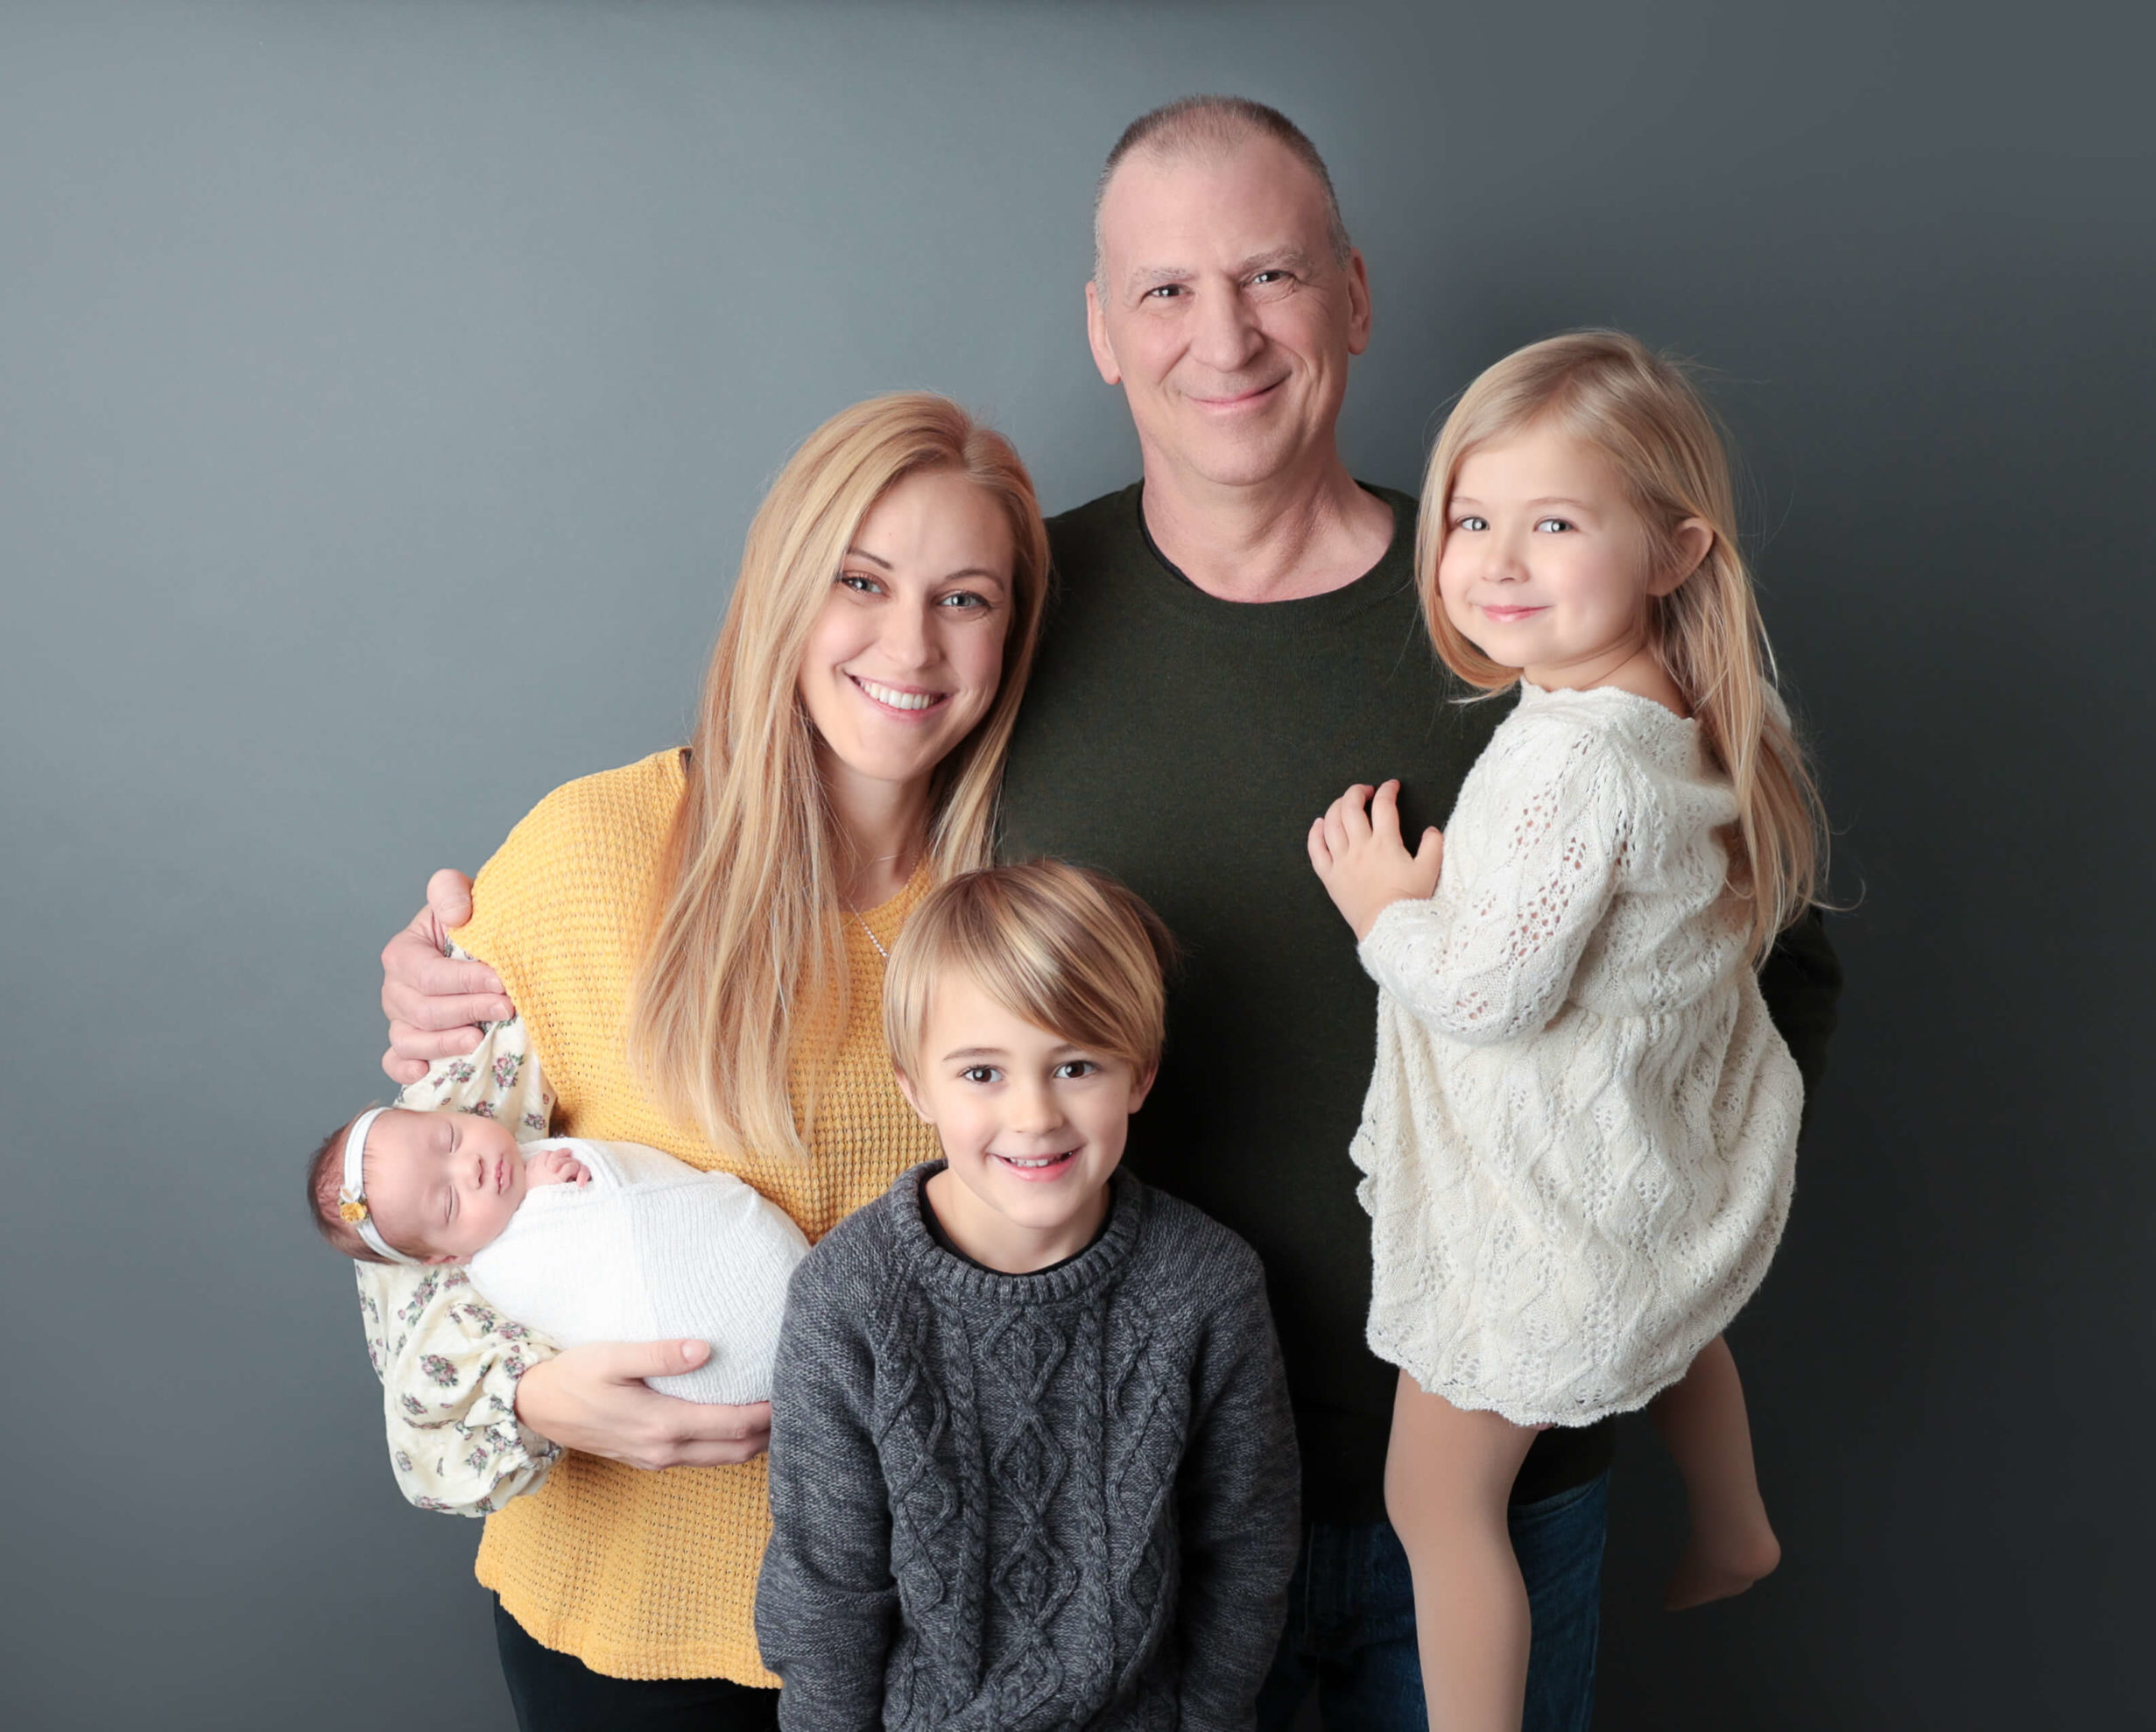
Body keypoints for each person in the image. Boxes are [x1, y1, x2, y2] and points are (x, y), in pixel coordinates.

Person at [383, 99, 1841, 1732]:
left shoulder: (1511, 607)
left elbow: (1751, 962)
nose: (1222, 334)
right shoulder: (1009, 621)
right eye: (1163, 289)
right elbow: (774, 849)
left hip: (1491, 1460)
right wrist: (463, 967)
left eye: (1274, 275)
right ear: (1100, 328)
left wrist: (1628, 1224)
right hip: (1104, 1508)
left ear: (1355, 298)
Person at [355, 391, 1050, 1728]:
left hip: (935, 1636)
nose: (909, 642)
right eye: (863, 580)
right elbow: (408, 1248)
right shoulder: (586, 854)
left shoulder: (1024, 905)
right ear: (787, 588)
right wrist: (529, 1393)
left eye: (966, 597)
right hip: (627, 1622)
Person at [1307, 331, 1817, 1730]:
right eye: (1472, 518)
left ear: (1672, 549)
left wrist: (1386, 910)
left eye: (1555, 523)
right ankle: (1735, 1520)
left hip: (1545, 1203)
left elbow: (1486, 993)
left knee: (1434, 1498)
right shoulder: (1693, 708)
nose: (1497, 560)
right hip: (1646, 1167)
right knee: (1668, 1320)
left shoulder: (1575, 757)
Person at [756, 860, 1300, 1732]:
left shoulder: (1206, 1283)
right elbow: (826, 1591)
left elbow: (1244, 1551)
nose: (1035, 1114)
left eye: (1076, 1065)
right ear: (914, 1086)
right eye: (981, 1073)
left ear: (1140, 1074)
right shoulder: (848, 1299)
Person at [306, 1103, 807, 1405]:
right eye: (450, 1201)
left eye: (450, 1138)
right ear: (446, 1258)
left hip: (745, 1266)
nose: (471, 1169)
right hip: (720, 1350)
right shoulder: (506, 1269)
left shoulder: (522, 1157)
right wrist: (551, 1195)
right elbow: (581, 1274)